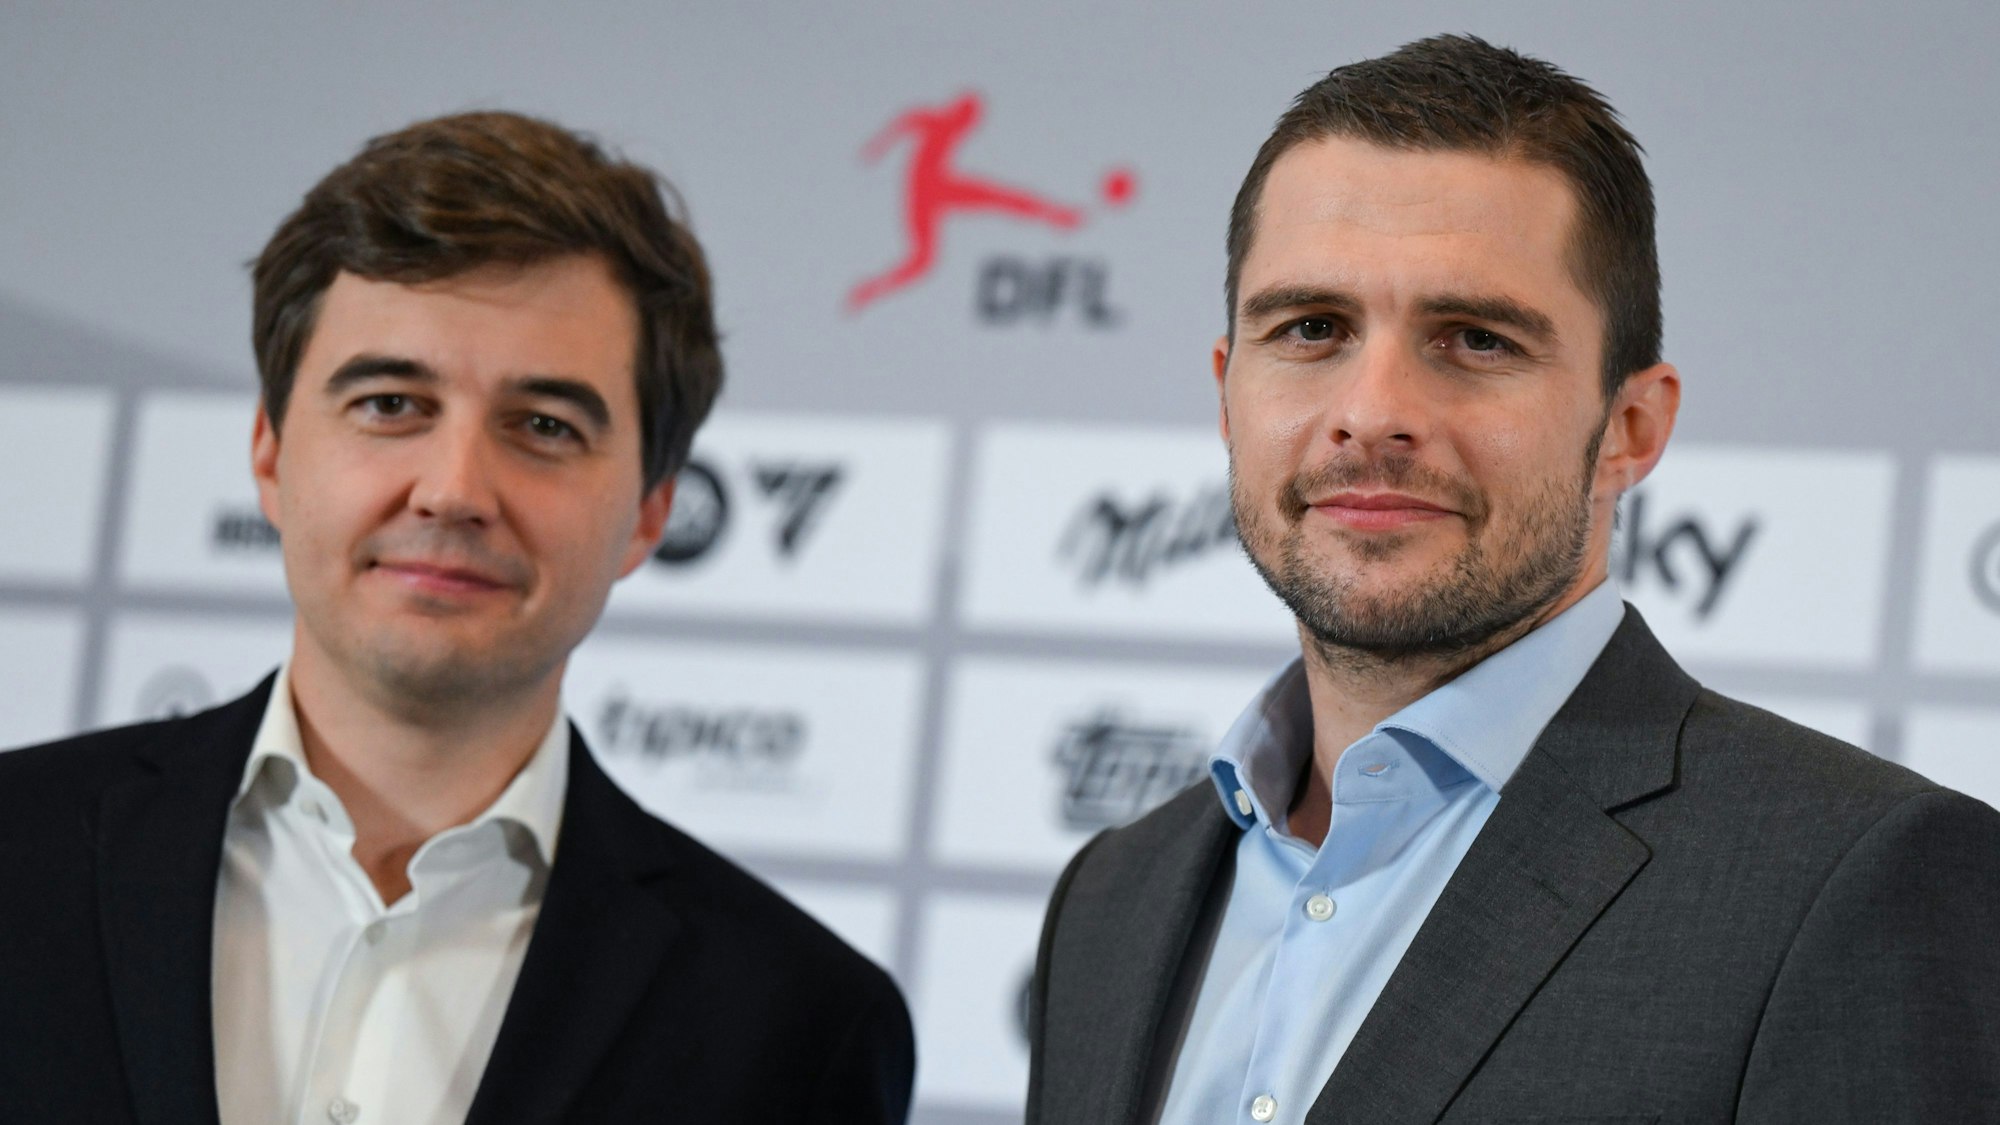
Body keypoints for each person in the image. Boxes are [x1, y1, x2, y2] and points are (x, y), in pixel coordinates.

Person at [1026, 35, 2000, 1125]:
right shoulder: (1112, 896)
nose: (1371, 409)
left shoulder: (1853, 885)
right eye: (1310, 329)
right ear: (1226, 392)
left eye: (1474, 340)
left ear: (1629, 428)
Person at [0, 111, 914, 1124]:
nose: (453, 489)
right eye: (391, 403)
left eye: (543, 426)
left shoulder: (796, 1025)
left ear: (649, 512)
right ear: (269, 451)